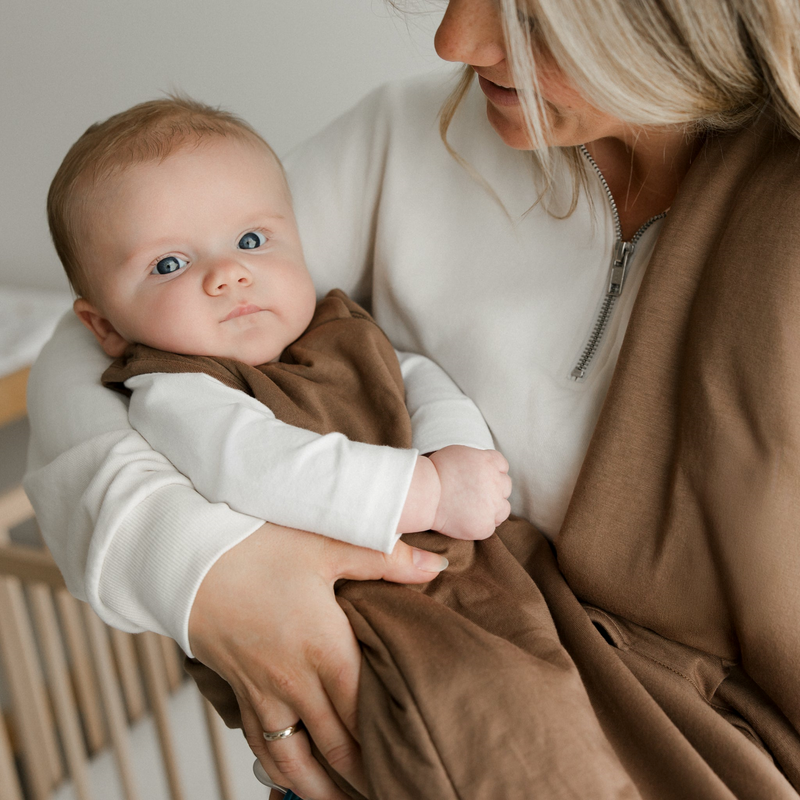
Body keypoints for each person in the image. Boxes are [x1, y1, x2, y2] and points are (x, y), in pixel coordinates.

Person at [25, 0, 800, 798]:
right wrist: (207, 570)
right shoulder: (406, 137)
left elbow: (413, 377)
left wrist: (448, 463)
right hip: (426, 682)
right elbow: (95, 347)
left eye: (528, 13)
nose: (454, 40)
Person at [46, 95, 511, 558]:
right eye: (170, 264)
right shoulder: (177, 390)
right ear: (105, 327)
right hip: (360, 581)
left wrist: (455, 448)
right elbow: (261, 465)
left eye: (250, 240)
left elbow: (411, 376)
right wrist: (429, 494)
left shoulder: (337, 329)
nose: (229, 273)